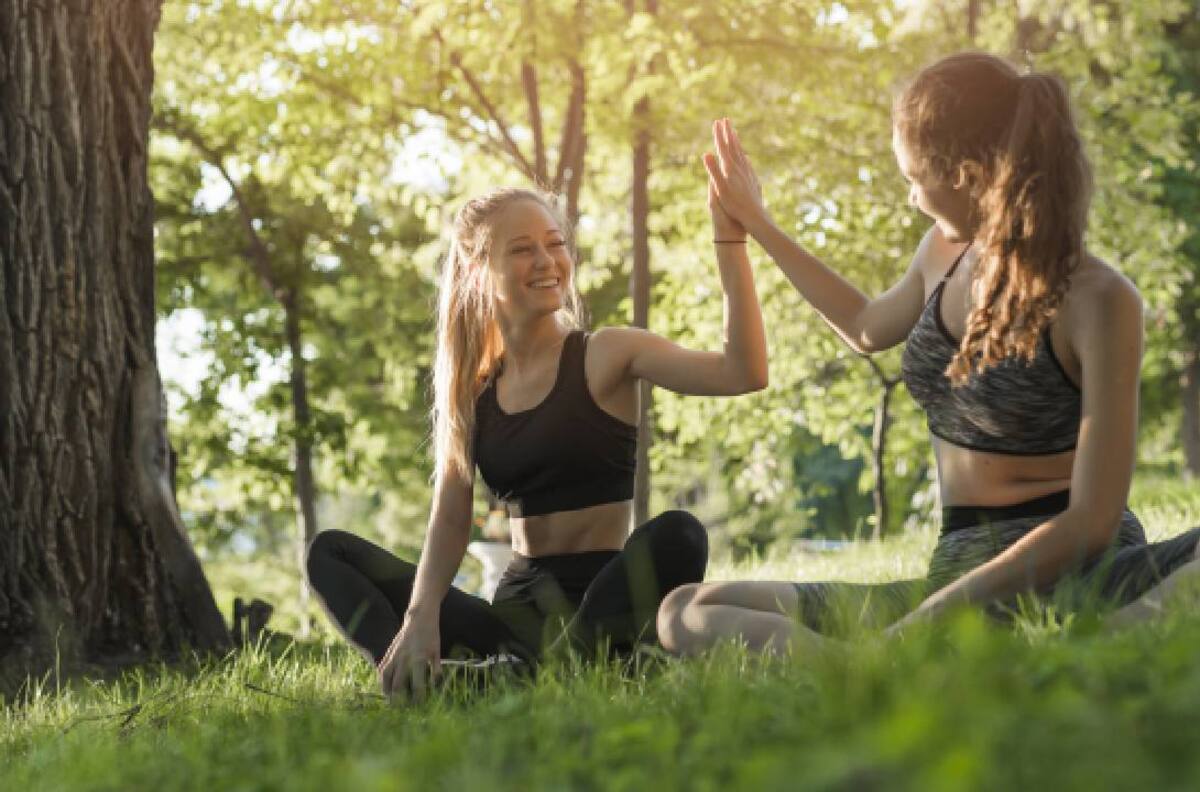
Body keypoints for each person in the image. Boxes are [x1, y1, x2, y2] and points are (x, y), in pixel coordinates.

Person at [657, 53, 1200, 656]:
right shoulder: (944, 251)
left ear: (966, 175)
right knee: (685, 610)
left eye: (915, 178)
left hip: (1081, 577)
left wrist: (927, 619)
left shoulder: (1101, 300)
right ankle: (868, 667)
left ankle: (1064, 649)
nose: (913, 197)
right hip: (957, 577)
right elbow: (865, 326)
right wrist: (752, 223)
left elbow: (1092, 523)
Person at [307, 176, 768, 697]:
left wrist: (731, 241)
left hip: (608, 598)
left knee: (680, 533)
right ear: (480, 270)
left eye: (555, 244)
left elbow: (742, 372)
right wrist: (420, 617)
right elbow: (452, 517)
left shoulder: (607, 353)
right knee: (330, 553)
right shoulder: (473, 390)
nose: (548, 261)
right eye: (524, 249)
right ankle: (414, 676)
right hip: (516, 616)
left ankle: (517, 680)